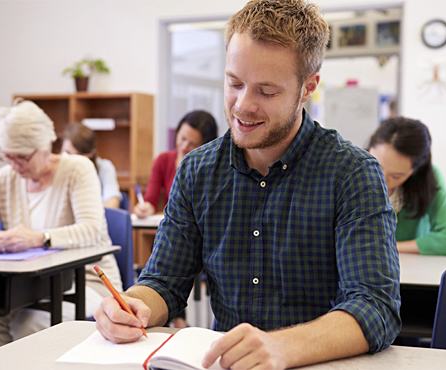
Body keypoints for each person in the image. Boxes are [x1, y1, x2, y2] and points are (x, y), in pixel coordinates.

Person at [94, 1, 400, 368]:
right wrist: (133, 305)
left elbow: (375, 307)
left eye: (266, 92)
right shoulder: (197, 170)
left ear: (308, 87)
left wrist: (283, 347)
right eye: (234, 83)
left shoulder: (352, 173)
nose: (243, 106)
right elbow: (164, 282)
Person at [0, 99, 122, 354]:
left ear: (45, 146)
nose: (15, 165)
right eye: (7, 157)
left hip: (86, 283)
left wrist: (41, 237)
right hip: (23, 288)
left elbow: (92, 229)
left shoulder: (77, 169)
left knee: (32, 323)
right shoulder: (7, 177)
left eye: (22, 157)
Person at [368, 117, 446, 255]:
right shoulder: (349, 173)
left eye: (396, 176)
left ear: (415, 171)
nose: (382, 180)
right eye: (376, 167)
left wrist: (387, 247)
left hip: (411, 270)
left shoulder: (428, 179)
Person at [133, 110, 218, 218]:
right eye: (182, 138)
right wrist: (145, 208)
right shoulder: (163, 160)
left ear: (205, 146)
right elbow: (151, 199)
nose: (184, 147)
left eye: (192, 144)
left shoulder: (211, 167)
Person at [61, 122, 121, 208]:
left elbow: (112, 204)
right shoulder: (56, 169)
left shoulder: (104, 167)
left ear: (91, 154)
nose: (70, 160)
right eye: (67, 153)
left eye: (77, 156)